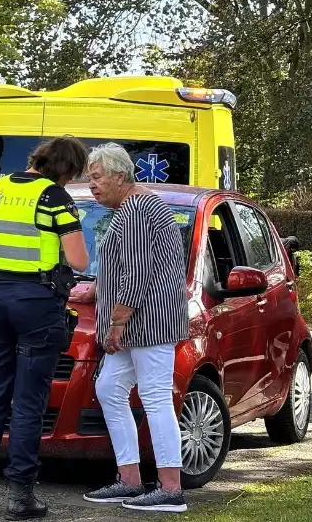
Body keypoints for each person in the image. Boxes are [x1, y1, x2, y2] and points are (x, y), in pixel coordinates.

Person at [0, 136, 90, 519]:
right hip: (36, 303)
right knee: (29, 402)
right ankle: (19, 497)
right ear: (66, 169)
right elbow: (79, 260)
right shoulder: (55, 197)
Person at [72, 143, 190, 513]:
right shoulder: (135, 207)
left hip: (147, 323)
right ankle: (130, 480)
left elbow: (137, 272)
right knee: (109, 388)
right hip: (140, 323)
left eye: (96, 177)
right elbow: (122, 266)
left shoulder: (136, 210)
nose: (91, 185)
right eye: (89, 177)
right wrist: (92, 290)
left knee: (155, 399)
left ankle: (171, 490)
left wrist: (117, 323)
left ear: (120, 176)